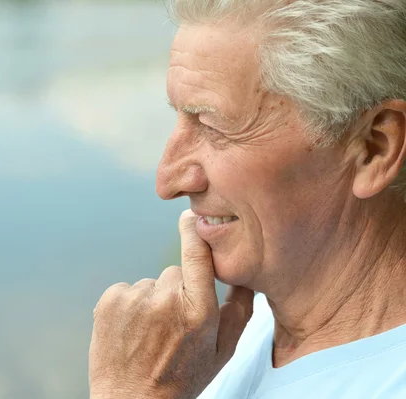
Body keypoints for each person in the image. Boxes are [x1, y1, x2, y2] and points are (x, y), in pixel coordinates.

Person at [88, 1, 406, 398]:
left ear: (374, 148)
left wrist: (131, 391)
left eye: (213, 126)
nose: (167, 181)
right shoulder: (215, 343)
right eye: (180, 118)